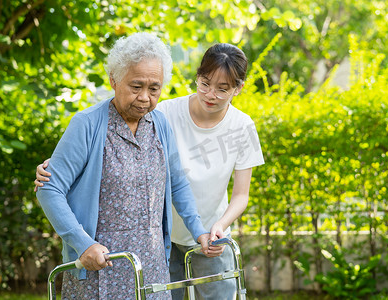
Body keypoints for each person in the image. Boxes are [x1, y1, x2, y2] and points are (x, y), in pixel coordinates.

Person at [36, 43, 264, 299]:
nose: (145, 97)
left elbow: (177, 183)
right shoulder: (86, 124)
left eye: (154, 89)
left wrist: (198, 230)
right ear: (114, 79)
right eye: (136, 87)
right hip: (99, 264)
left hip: (152, 265)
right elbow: (50, 189)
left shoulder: (160, 123)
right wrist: (83, 244)